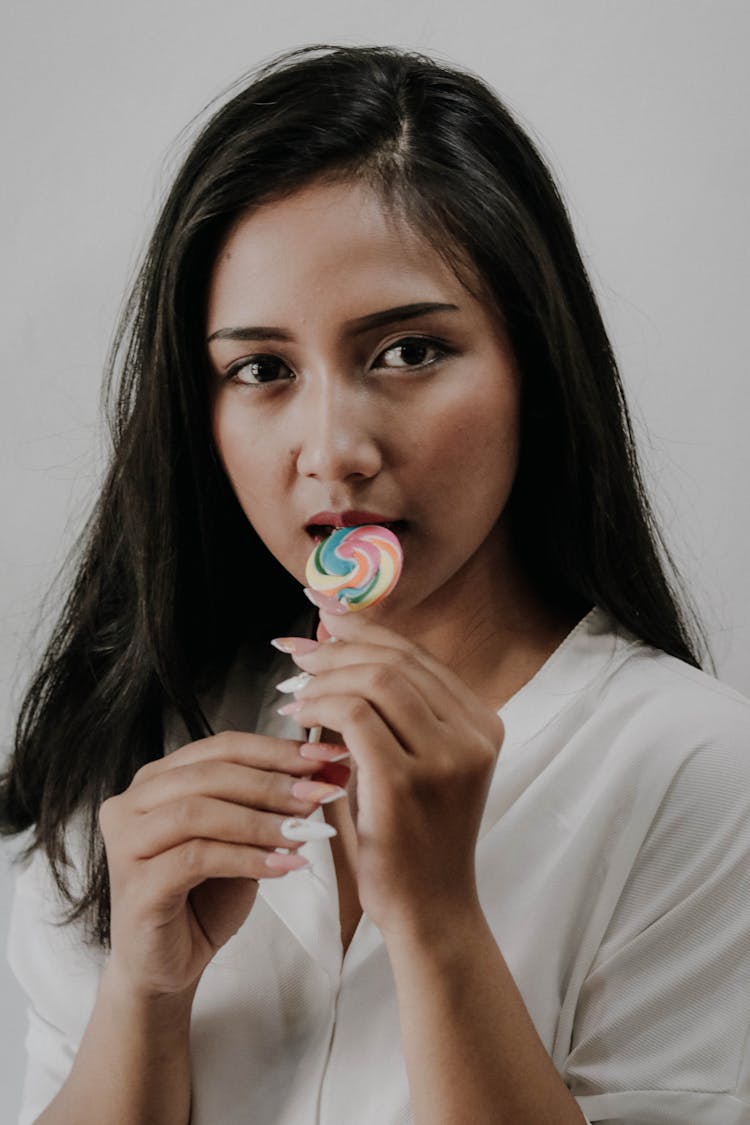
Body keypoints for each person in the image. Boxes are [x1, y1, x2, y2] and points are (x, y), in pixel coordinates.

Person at [2, 43, 749, 1125]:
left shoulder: (692, 771)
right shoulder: (127, 748)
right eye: (261, 370)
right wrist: (143, 997)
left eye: (407, 352)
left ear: (534, 362)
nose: (334, 449)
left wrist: (441, 921)